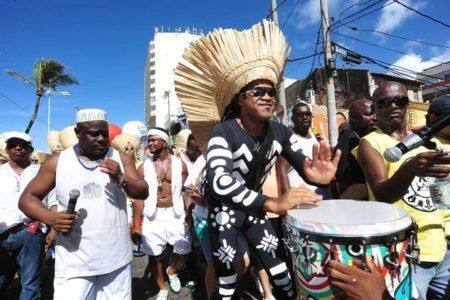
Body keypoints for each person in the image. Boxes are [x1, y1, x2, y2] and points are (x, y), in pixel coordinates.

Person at [174, 20, 340, 299]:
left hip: (254, 211)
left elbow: (304, 165)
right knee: (227, 281)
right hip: (224, 212)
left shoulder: (279, 131)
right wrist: (272, 203)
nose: (267, 96)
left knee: (282, 275)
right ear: (240, 100)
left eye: (271, 92)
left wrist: (317, 175)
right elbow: (220, 182)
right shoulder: (223, 131)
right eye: (257, 92)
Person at [18, 108, 149, 300]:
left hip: (116, 261)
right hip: (74, 263)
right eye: (94, 134)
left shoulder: (120, 159)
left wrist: (121, 177)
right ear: (78, 133)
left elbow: (143, 191)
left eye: (104, 133)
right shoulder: (58, 162)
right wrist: (51, 218)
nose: (102, 139)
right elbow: (27, 198)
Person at [355, 82, 450, 299]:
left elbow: (440, 194)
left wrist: (446, 229)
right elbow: (382, 194)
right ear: (376, 109)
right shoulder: (370, 143)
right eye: (385, 102)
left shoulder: (428, 142)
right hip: (405, 252)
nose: (393, 106)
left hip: (440, 247)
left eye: (400, 100)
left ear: (408, 104)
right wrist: (410, 168)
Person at [132, 127, 191, 300]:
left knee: (184, 249)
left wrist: (189, 213)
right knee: (154, 255)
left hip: (176, 213)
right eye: (148, 140)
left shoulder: (180, 164)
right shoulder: (144, 167)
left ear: (164, 142)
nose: (149, 143)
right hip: (153, 214)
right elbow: (138, 198)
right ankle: (162, 288)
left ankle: (171, 270)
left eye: (153, 140)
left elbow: (186, 191)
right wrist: (136, 225)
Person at [0, 132, 43, 300]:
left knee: (30, 282)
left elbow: (52, 199)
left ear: (30, 149)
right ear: (7, 149)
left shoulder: (40, 172)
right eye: (13, 145)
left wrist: (52, 230)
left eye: (22, 145)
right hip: (2, 233)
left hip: (30, 232)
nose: (17, 148)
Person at [278, 101, 332, 198]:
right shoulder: (288, 139)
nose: (305, 117)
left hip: (319, 196)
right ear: (293, 118)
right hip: (300, 200)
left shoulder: (315, 138)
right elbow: (282, 172)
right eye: (300, 115)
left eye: (307, 114)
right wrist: (287, 200)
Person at [334, 98, 377, 199]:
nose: (375, 118)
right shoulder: (349, 142)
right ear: (353, 119)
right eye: (369, 114)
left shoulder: (363, 139)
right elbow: (346, 189)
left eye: (375, 114)